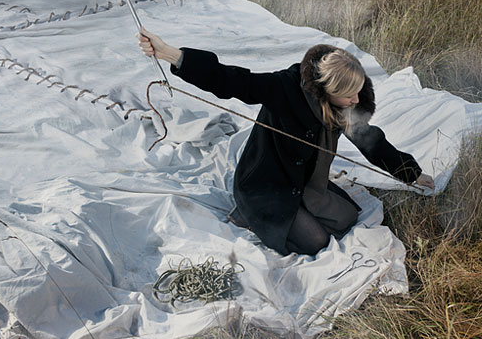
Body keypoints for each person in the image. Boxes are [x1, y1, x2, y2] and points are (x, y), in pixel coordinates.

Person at [138, 29, 435, 256]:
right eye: (349, 96)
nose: (356, 101)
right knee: (316, 242)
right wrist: (169, 54)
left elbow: (371, 141)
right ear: (327, 91)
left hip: (304, 181)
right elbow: (230, 80)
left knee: (347, 218)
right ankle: (248, 213)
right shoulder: (284, 88)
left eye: (358, 92)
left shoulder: (343, 104)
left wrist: (411, 174)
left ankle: (290, 214)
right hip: (267, 185)